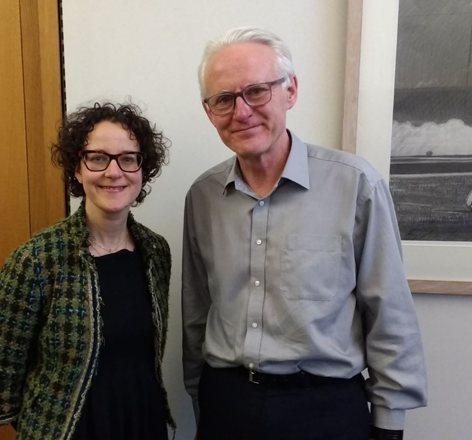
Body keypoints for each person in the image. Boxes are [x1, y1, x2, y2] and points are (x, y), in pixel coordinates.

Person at [182, 27, 427, 440]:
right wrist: (199, 395)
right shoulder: (203, 197)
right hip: (228, 406)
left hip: (326, 409)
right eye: (223, 99)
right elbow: (196, 312)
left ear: (290, 91)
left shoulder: (355, 185)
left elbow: (389, 311)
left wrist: (389, 421)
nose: (241, 111)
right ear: (209, 111)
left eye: (256, 91)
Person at [0, 102, 174, 440]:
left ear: (143, 170)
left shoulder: (155, 252)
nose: (114, 172)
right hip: (70, 428)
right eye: (98, 158)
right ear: (77, 168)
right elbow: (4, 371)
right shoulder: (37, 260)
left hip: (142, 419)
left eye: (128, 158)